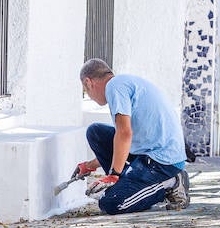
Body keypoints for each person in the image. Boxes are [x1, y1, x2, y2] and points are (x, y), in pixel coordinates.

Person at [73, 58, 190, 214]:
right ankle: (126, 186)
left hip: (162, 161)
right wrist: (90, 165)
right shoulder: (121, 83)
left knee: (111, 203)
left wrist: (113, 175)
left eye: (86, 91)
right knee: (95, 132)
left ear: (89, 82)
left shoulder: (114, 87)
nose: (89, 96)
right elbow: (125, 140)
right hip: (149, 152)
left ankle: (172, 182)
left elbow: (125, 133)